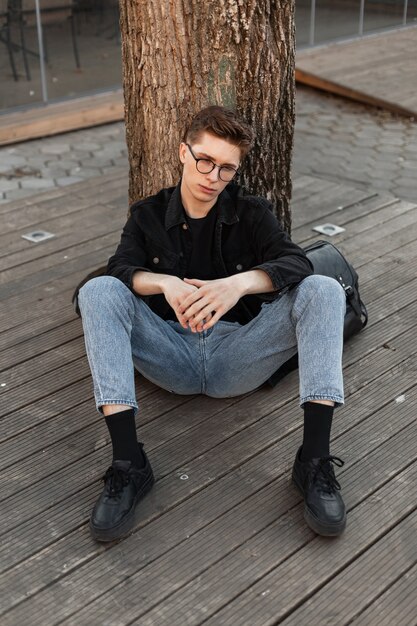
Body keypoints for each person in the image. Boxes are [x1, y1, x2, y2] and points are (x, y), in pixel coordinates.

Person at [78, 105, 347, 543]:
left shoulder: (251, 211)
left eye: (226, 169)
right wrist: (163, 283)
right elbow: (119, 270)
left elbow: (295, 261)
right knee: (97, 292)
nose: (212, 177)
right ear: (184, 152)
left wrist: (237, 285)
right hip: (171, 354)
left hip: (237, 354)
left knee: (323, 290)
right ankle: (129, 464)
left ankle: (313, 461)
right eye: (205, 160)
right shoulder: (147, 214)